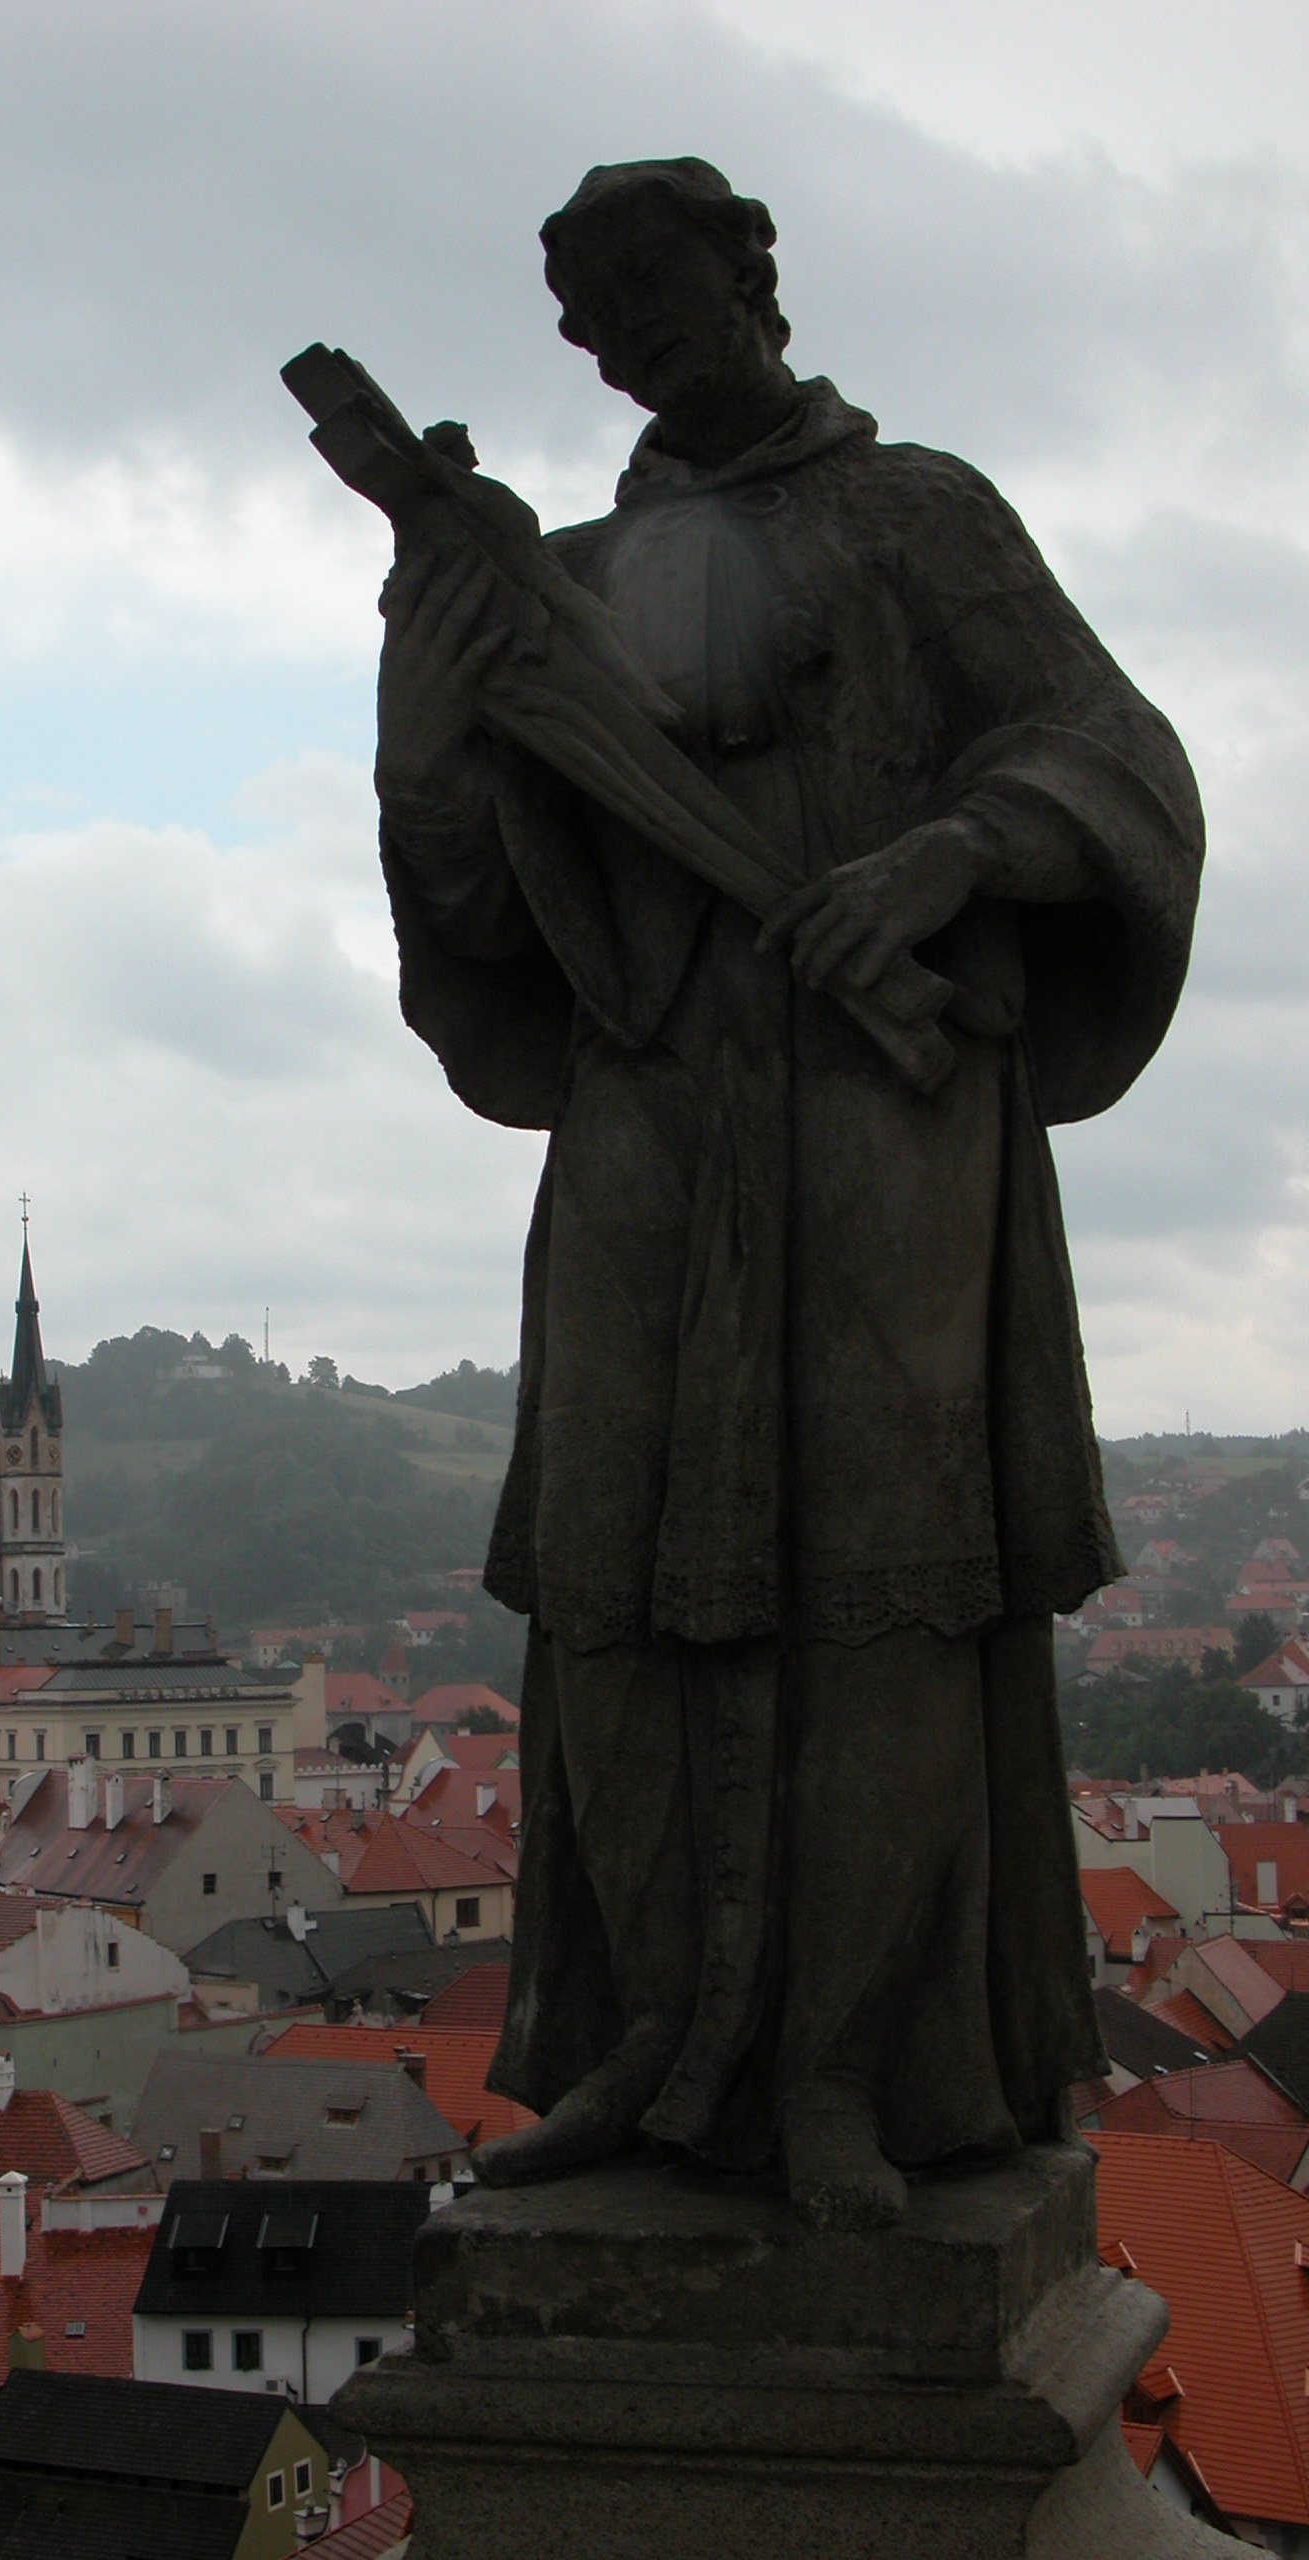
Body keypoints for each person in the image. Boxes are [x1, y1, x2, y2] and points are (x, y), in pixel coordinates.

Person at [372, 158, 1203, 2229]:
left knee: (885, 1593)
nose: (624, 347)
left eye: (653, 299)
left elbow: (1120, 758)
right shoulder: (567, 580)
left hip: (883, 1125)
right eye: (594, 325)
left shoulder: (919, 517)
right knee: (614, 1594)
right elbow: (484, 914)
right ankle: (653, 2053)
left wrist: (955, 851)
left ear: (753, 278)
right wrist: (420, 737)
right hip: (652, 1128)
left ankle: (847, 2070)